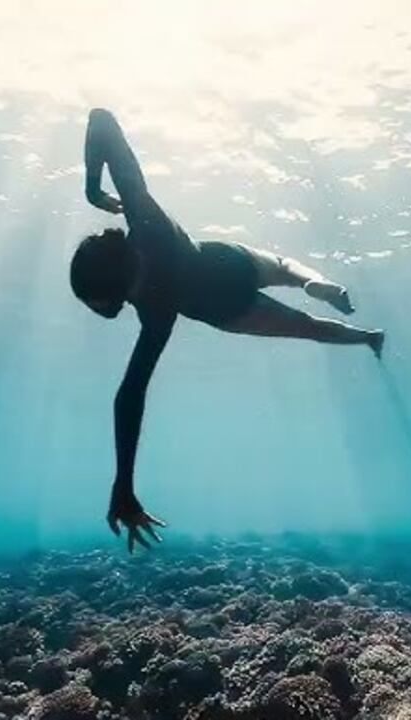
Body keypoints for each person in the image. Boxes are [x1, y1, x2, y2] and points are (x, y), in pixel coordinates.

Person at [72, 108, 385, 553]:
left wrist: (123, 483)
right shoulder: (144, 220)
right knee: (285, 268)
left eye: (109, 305)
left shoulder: (156, 314)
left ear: (118, 291)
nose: (117, 309)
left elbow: (129, 395)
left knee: (310, 329)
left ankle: (367, 337)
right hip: (225, 260)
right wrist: (92, 187)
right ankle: (314, 283)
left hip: (229, 310)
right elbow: (101, 119)